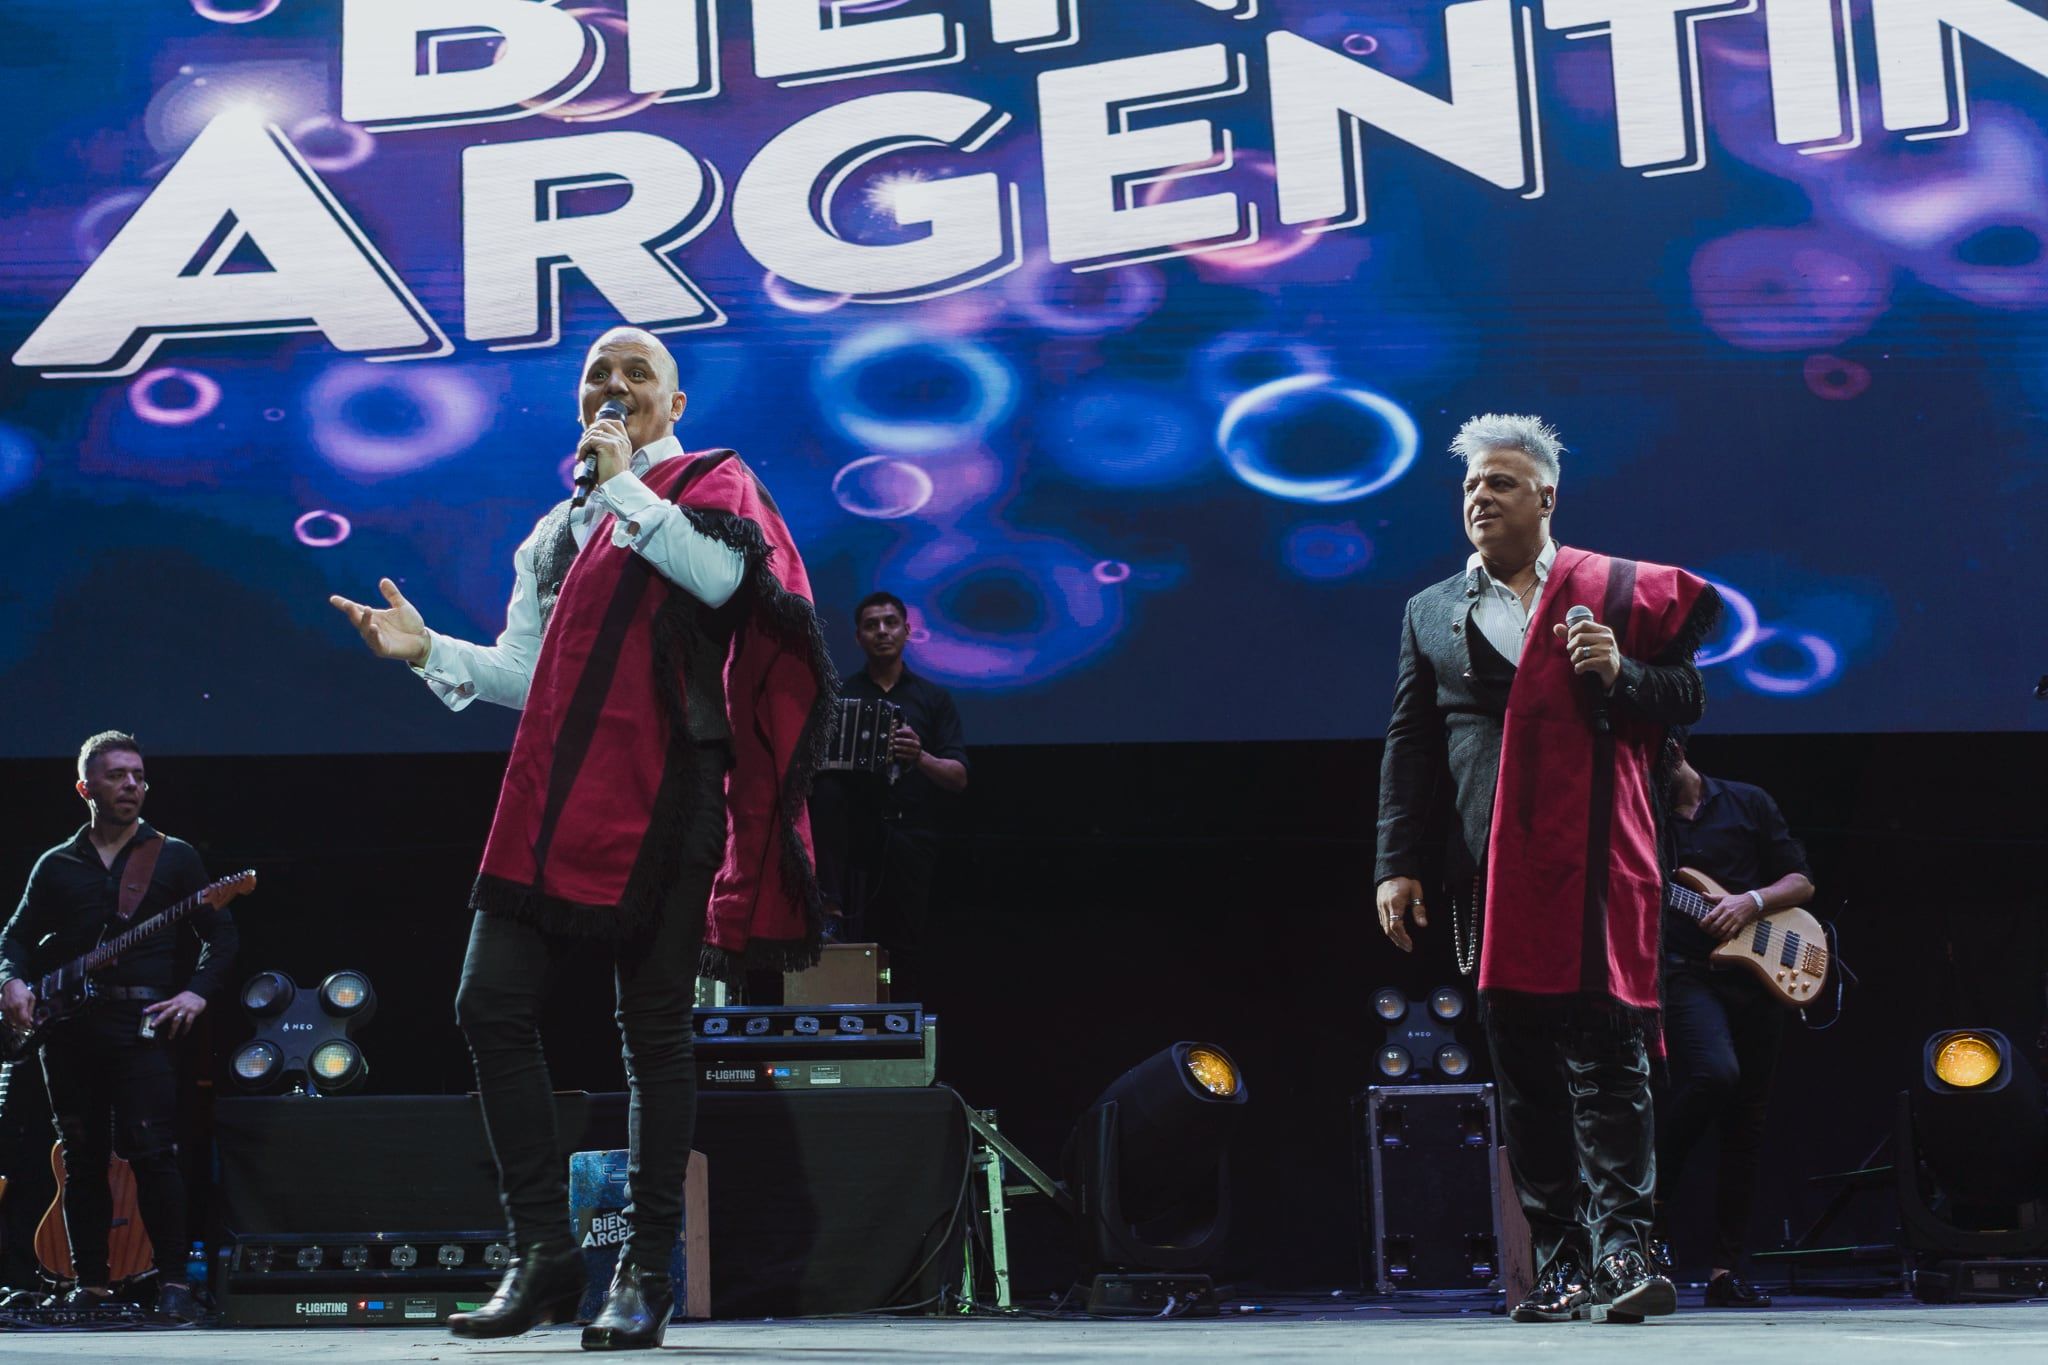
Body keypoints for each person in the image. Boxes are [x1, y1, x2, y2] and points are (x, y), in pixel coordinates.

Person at [330, 327, 834, 1351]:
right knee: (487, 1004)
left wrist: (624, 490)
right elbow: (528, 672)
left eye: (636, 374)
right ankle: (542, 1253)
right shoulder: (552, 533)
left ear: (674, 405)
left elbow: (723, 585)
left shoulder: (708, 482)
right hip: (552, 795)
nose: (613, 387)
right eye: (597, 375)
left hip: (669, 791)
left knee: (651, 1030)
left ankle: (642, 1272)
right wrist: (431, 650)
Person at [1374, 414, 1720, 1324]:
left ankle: (1626, 1252)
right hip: (1493, 869)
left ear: (1546, 497)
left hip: (1600, 863)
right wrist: (1395, 865)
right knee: (1524, 1071)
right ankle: (1561, 1261)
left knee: (1610, 1059)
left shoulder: (1610, 591)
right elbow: (1411, 747)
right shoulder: (1429, 610)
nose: (1480, 498)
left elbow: (1687, 693)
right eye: (1470, 487)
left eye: (1500, 483)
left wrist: (1623, 675)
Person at [0, 731, 238, 1321]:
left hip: (141, 1027)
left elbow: (223, 939)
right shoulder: (56, 865)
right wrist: (11, 983)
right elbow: (15, 939)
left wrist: (196, 993)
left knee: (154, 1154)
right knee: (81, 1159)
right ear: (86, 788)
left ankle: (177, 1285)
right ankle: (92, 1283)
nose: (131, 784)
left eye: (138, 775)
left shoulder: (175, 857)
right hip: (67, 1033)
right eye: (116, 776)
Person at [1654, 731, 1815, 1308]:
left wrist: (1750, 901)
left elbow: (1800, 880)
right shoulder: (1646, 827)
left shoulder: (1747, 801)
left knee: (1745, 1130)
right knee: (1714, 1075)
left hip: (1760, 979)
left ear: (1674, 750)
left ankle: (1725, 1275)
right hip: (1687, 974)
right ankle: (1652, 1200)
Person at [808, 592, 967, 987]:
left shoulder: (933, 698)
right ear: (858, 636)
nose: (882, 631)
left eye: (890, 622)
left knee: (908, 944)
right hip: (854, 841)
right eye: (871, 625)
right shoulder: (838, 696)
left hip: (912, 835)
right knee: (851, 943)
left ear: (907, 631)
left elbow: (959, 777)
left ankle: (902, 1031)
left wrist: (920, 757)